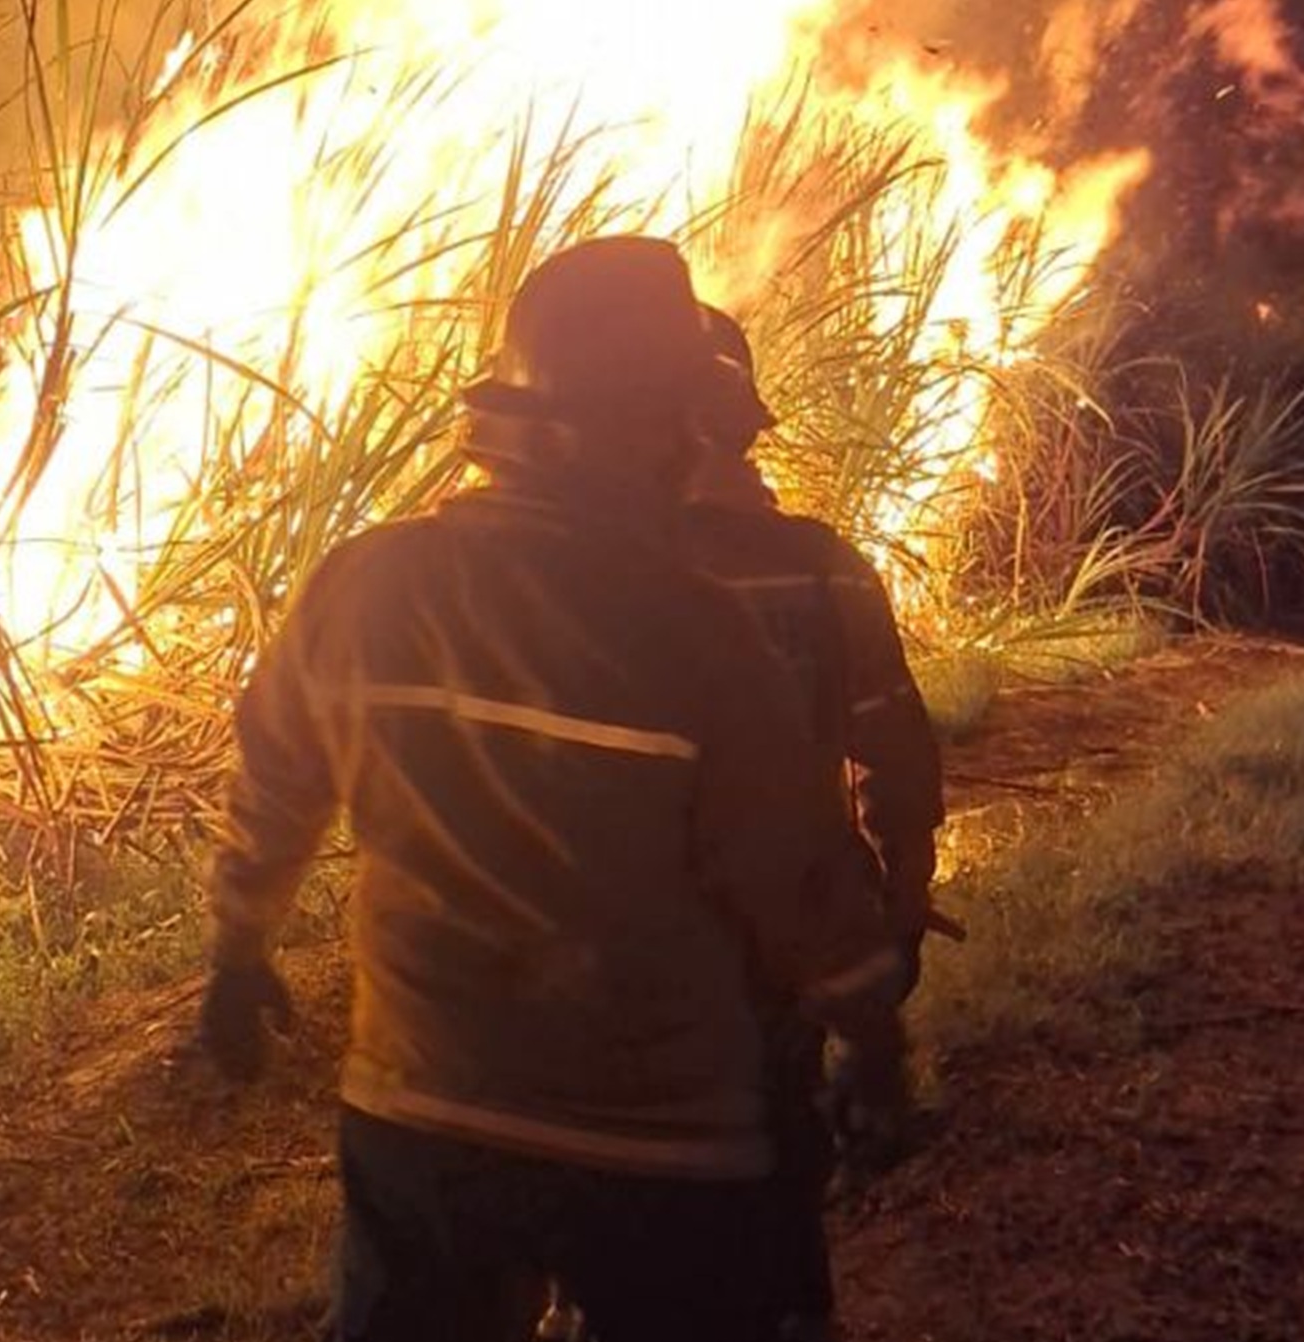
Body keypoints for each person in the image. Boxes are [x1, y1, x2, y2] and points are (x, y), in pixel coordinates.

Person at [195, 236, 916, 1342]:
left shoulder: (367, 584)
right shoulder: (702, 635)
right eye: (677, 421)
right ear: (645, 433)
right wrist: (870, 1033)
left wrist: (238, 948)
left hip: (424, 1112)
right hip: (658, 1145)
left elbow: (274, 785)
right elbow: (796, 876)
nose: (691, 450)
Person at [676, 306, 952, 1341]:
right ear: (746, 424)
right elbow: (893, 748)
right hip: (787, 946)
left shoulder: (591, 580)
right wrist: (898, 908)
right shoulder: (822, 566)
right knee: (778, 1167)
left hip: (624, 963)